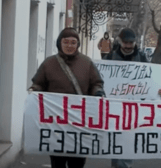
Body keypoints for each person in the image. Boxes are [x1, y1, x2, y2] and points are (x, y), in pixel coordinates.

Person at [29, 27, 105, 168]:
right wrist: (34, 90)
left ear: (78, 44)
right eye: (66, 42)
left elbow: (96, 83)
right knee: (57, 161)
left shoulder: (86, 63)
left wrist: (98, 93)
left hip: (79, 123)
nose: (69, 46)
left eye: (73, 42)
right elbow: (38, 83)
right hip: (56, 123)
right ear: (59, 43)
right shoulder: (49, 63)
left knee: (77, 162)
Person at [104, 27, 161, 168]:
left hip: (134, 110)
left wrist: (158, 90)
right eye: (125, 43)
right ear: (120, 42)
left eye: (130, 43)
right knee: (116, 142)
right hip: (115, 109)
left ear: (135, 43)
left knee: (129, 142)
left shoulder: (142, 57)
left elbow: (151, 80)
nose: (128, 46)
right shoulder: (110, 58)